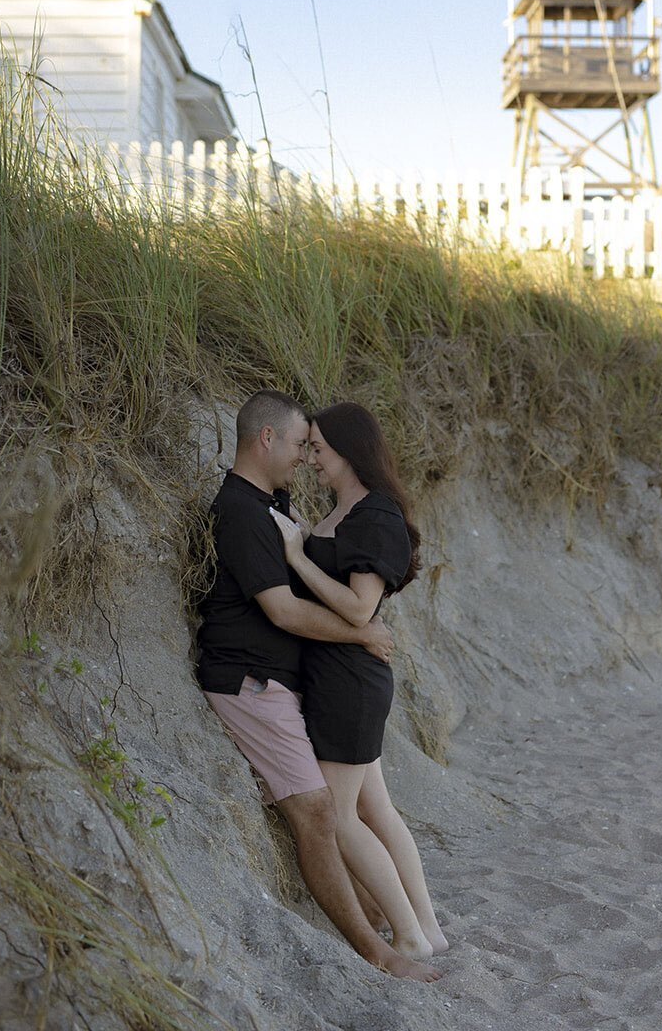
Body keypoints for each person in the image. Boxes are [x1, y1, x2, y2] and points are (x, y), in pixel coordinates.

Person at [195, 388, 439, 983]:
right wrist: (360, 634)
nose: (307, 457)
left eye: (317, 447)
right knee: (322, 811)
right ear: (266, 439)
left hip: (299, 684)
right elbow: (282, 611)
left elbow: (340, 591)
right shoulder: (244, 512)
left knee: (353, 806)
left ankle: (403, 925)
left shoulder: (275, 504)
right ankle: (381, 949)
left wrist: (353, 621)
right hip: (252, 683)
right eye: (302, 444)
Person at [268, 401, 448, 961]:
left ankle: (411, 936)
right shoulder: (346, 510)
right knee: (377, 808)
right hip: (343, 676)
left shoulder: (374, 515)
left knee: (342, 816)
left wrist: (297, 557)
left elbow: (358, 607)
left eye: (318, 448)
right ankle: (429, 929)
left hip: (349, 680)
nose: (311, 458)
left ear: (348, 451)